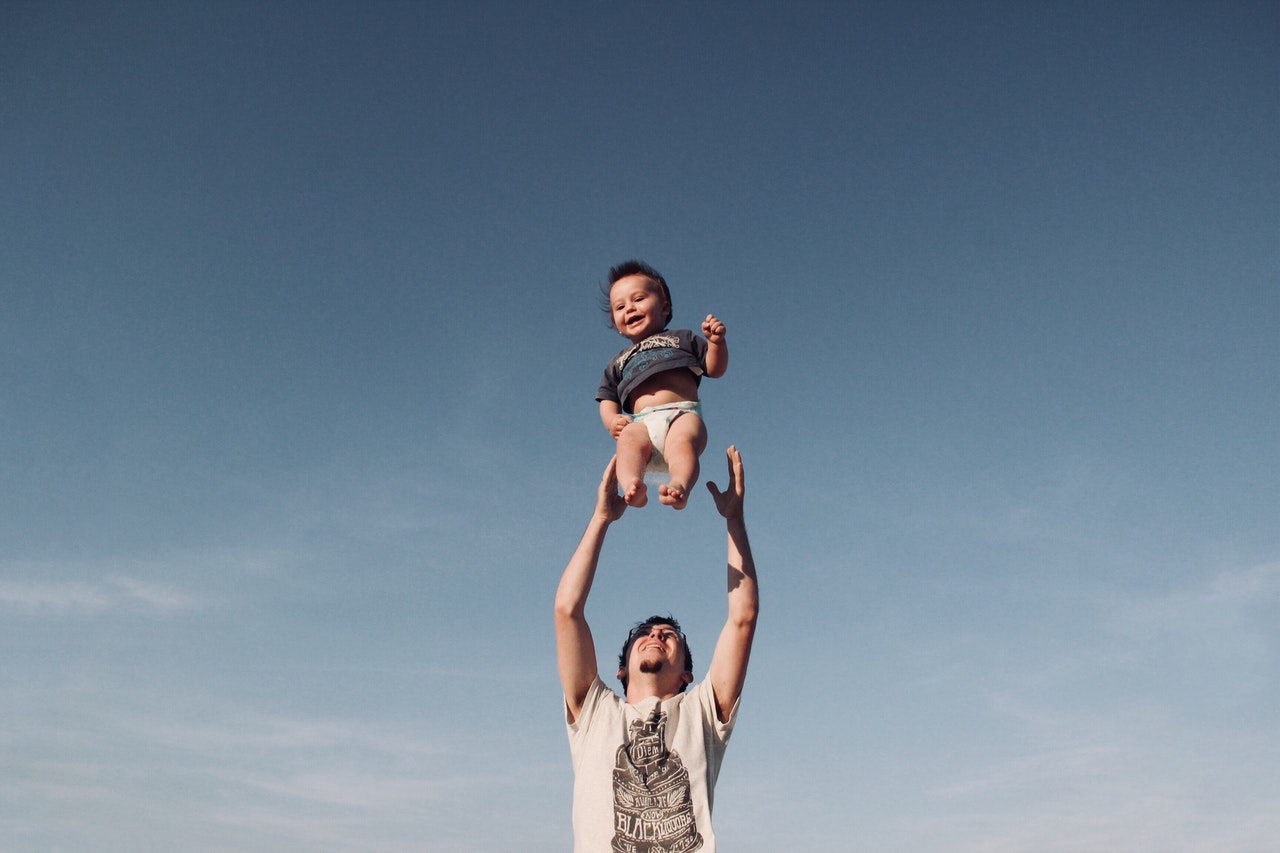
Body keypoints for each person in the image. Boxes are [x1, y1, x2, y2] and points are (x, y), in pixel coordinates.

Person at [555, 446, 759, 852]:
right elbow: (567, 611)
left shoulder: (702, 712)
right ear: (621, 670)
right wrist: (601, 519)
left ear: (687, 674)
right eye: (645, 634)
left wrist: (734, 520)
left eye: (670, 636)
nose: (656, 635)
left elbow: (743, 617)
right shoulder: (595, 713)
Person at [597, 260, 728, 510]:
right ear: (615, 322)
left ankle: (679, 485)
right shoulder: (618, 361)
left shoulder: (682, 338)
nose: (630, 308)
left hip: (682, 413)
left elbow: (714, 369)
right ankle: (632, 485)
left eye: (638, 299)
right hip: (641, 422)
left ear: (664, 307)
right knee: (627, 442)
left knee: (682, 445)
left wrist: (716, 343)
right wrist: (612, 420)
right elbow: (607, 397)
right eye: (620, 306)